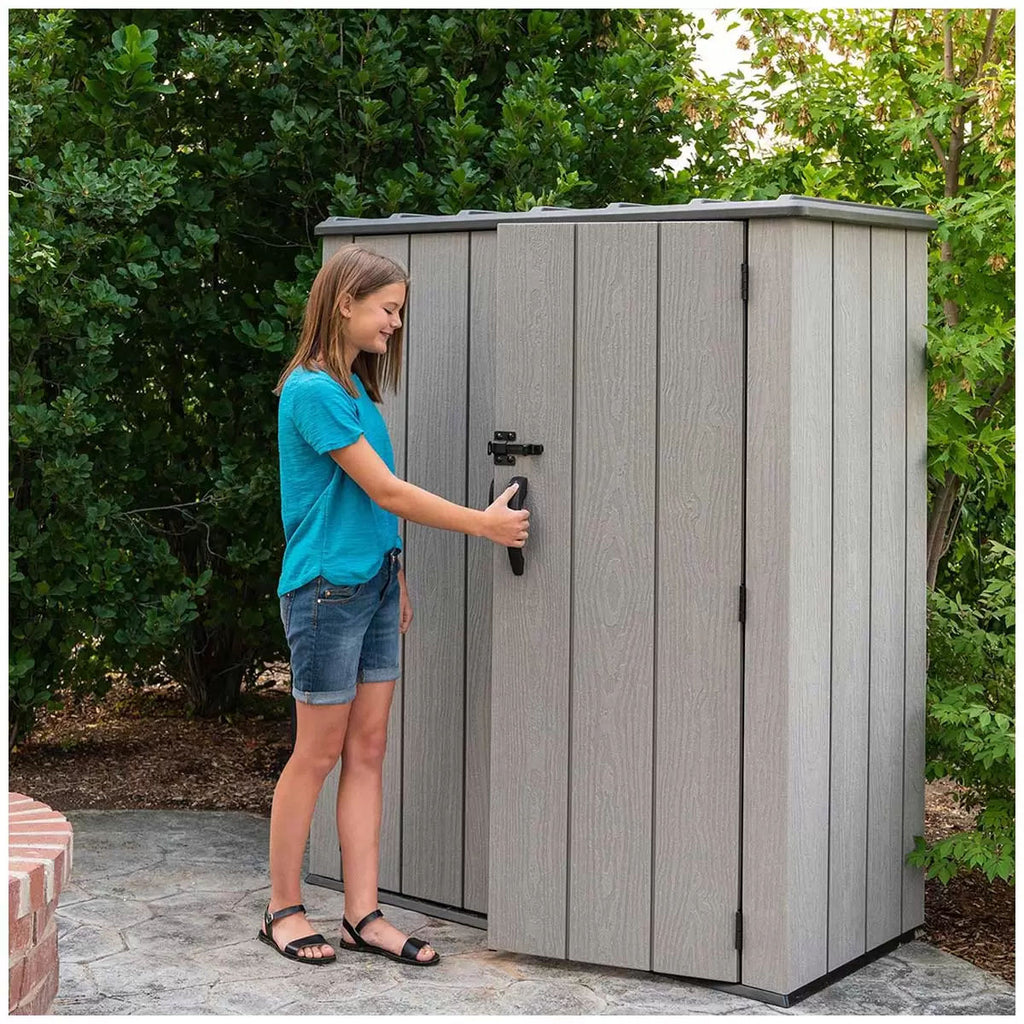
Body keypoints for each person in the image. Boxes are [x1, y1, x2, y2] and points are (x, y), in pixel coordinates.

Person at [258, 243, 529, 967]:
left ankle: (361, 915)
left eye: (400, 312)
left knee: (368, 753)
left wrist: (397, 570)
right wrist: (483, 524)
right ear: (344, 302)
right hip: (324, 591)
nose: (396, 324)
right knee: (315, 756)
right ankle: (283, 908)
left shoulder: (356, 391)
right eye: (388, 309)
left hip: (373, 585)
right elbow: (386, 491)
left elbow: (369, 505)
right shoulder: (312, 390)